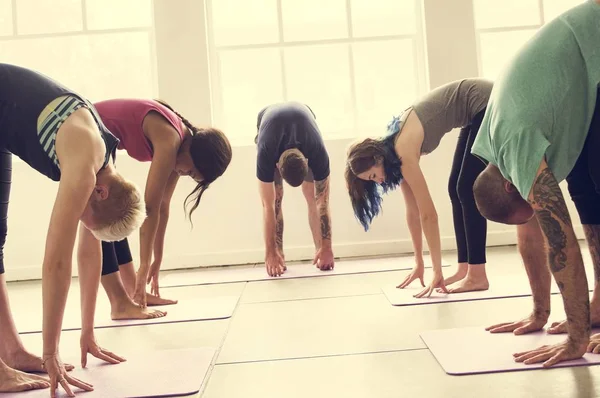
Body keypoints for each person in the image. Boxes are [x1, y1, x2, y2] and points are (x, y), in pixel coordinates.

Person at [0, 63, 145, 395]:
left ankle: (11, 351)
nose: (81, 220)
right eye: (86, 218)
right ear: (100, 194)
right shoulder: (84, 169)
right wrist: (51, 352)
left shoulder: (106, 161)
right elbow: (56, 262)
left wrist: (88, 332)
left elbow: (89, 253)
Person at [470, 0, 600, 368]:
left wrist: (577, 338)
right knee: (587, 192)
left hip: (595, 42)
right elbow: (531, 235)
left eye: (527, 209)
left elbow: (560, 242)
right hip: (587, 75)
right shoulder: (495, 157)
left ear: (511, 188)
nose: (532, 219)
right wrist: (539, 313)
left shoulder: (517, 143)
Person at [345, 78, 493, 297]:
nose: (378, 182)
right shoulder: (392, 155)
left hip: (484, 102)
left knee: (466, 188)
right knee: (455, 188)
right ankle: (465, 269)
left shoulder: (402, 150)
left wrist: (437, 271)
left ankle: (478, 275)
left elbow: (428, 215)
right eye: (372, 180)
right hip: (472, 113)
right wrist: (419, 263)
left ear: (377, 158)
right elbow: (413, 213)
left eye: (374, 175)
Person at [92, 98, 232, 310]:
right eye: (191, 171)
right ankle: (119, 303)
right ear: (193, 152)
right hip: (88, 129)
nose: (184, 173)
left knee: (116, 213)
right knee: (103, 214)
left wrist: (157, 258)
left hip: (101, 138)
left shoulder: (181, 148)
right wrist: (144, 264)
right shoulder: (170, 141)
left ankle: (133, 293)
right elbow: (150, 208)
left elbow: (163, 206)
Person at [256, 102, 334, 277]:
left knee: (313, 196)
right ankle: (279, 255)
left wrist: (327, 248)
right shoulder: (266, 152)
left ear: (307, 161)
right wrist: (270, 253)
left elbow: (323, 201)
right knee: (275, 200)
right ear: (276, 166)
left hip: (305, 116)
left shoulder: (317, 150)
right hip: (267, 120)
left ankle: (320, 250)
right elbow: (267, 206)